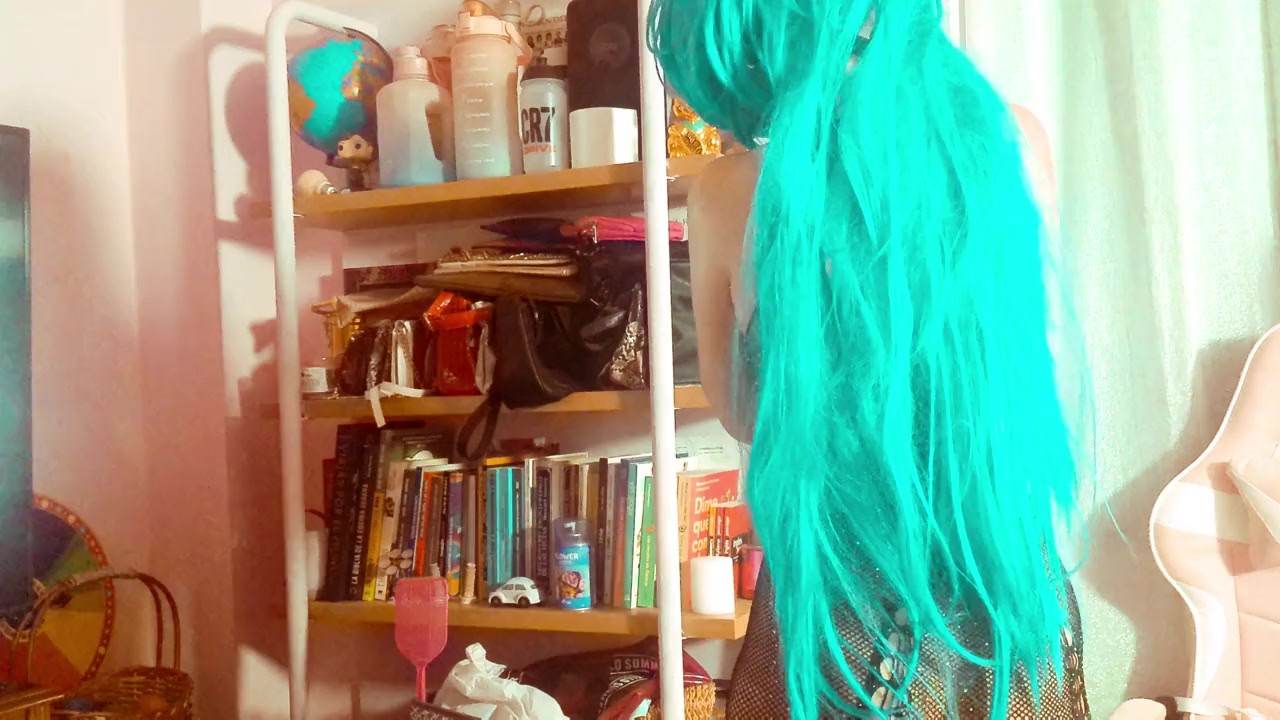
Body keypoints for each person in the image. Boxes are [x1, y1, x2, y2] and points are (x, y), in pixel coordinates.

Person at [648, 0, 1091, 717]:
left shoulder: (729, 192)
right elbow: (1036, 375)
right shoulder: (1013, 141)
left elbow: (741, 413)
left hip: (838, 619)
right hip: (1002, 598)